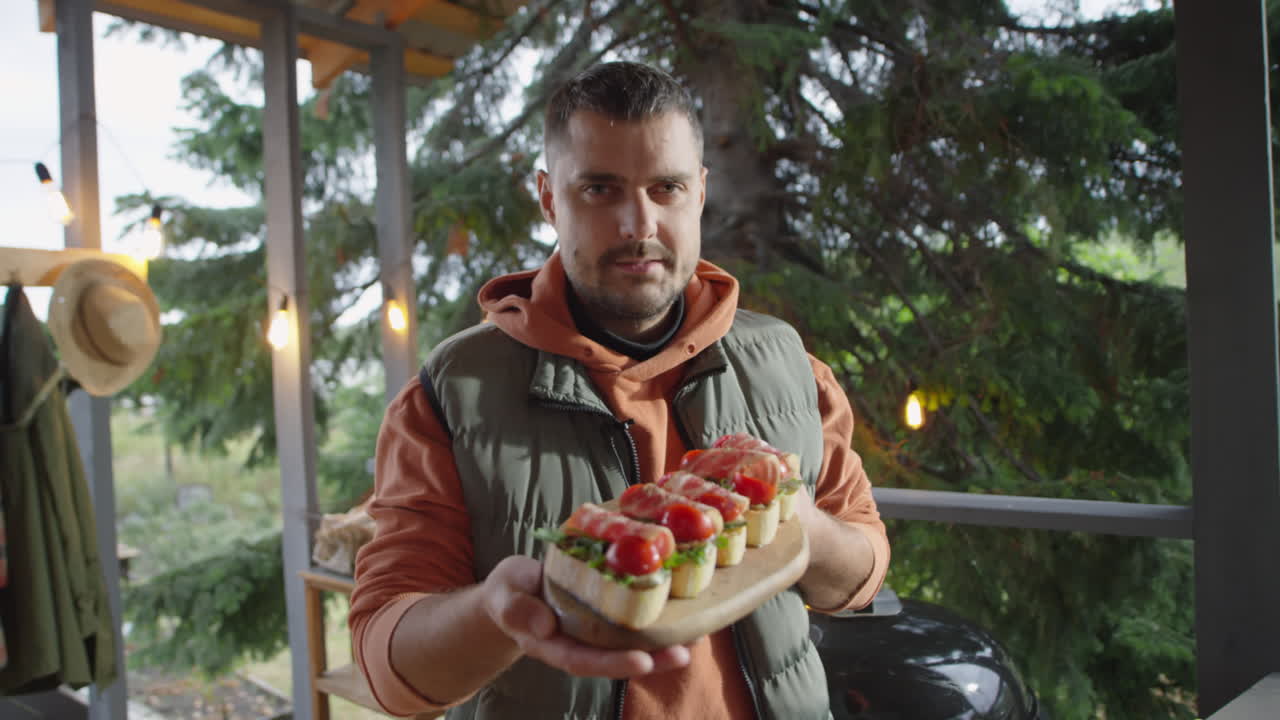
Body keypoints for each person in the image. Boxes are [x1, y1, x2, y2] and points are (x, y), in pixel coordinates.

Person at [349, 61, 890, 720]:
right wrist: (497, 614)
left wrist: (798, 523)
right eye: (600, 189)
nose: (639, 224)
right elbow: (386, 665)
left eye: (666, 187)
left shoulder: (791, 367)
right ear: (549, 197)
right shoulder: (449, 395)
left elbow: (859, 575)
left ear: (700, 192)